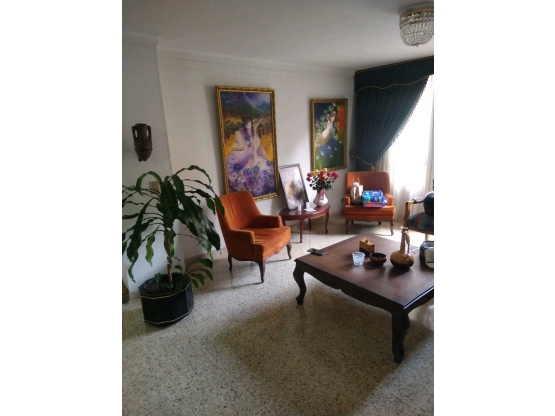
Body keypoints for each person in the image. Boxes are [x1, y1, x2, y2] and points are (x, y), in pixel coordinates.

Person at [226, 117, 275, 196]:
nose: (248, 124)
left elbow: (258, 147)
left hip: (255, 158)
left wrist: (267, 160)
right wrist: (248, 151)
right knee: (250, 174)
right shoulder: (238, 134)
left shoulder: (254, 132)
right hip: (245, 160)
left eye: (249, 122)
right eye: (246, 122)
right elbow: (239, 149)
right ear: (244, 123)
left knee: (265, 167)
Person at [315, 103, 343, 169]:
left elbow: (335, 133)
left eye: (334, 115)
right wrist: (329, 128)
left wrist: (336, 136)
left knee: (334, 159)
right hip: (326, 146)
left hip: (334, 145)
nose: (333, 117)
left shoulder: (333, 124)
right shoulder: (326, 124)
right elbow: (323, 138)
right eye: (332, 114)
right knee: (325, 162)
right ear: (329, 115)